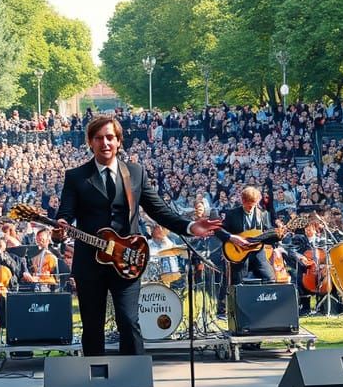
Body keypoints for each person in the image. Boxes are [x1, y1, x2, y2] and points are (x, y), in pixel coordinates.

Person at [54, 115, 221, 356]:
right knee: (92, 327)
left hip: (127, 260)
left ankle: (132, 386)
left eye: (110, 137)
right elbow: (65, 213)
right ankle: (95, 386)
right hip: (89, 263)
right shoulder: (76, 176)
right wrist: (61, 228)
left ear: (119, 141)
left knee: (129, 322)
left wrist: (189, 226)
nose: (105, 143)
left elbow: (159, 210)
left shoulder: (135, 173)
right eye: (99, 138)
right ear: (90, 142)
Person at [214, 186, 281, 320]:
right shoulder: (232, 214)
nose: (251, 208)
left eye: (253, 205)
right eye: (248, 205)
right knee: (236, 282)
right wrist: (232, 238)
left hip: (258, 254)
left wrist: (278, 235)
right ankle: (229, 311)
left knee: (270, 278)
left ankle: (264, 309)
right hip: (238, 255)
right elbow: (218, 230)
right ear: (242, 200)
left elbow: (267, 235)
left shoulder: (263, 214)